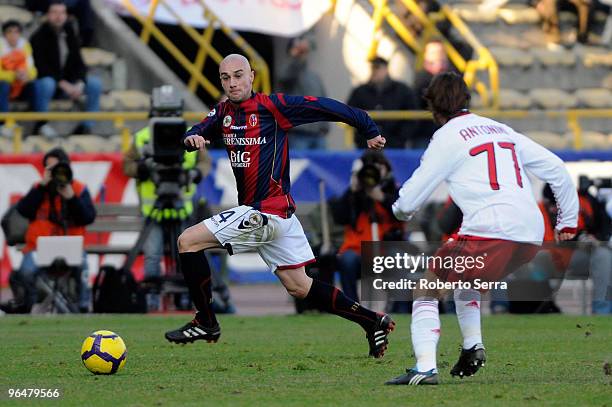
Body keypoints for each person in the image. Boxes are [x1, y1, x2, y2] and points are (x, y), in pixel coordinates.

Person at [165, 53, 395, 359]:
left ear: (251, 77)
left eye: (238, 76)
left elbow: (324, 107)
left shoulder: (273, 107)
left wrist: (366, 127)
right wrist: (192, 138)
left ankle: (206, 321)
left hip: (267, 212)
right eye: (225, 78)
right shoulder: (223, 112)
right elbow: (197, 129)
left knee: (188, 241)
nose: (232, 83)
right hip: (273, 216)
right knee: (300, 287)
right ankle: (373, 321)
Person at [385, 72, 578, 385]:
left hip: (491, 228)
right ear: (466, 100)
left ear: (433, 108)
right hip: (529, 235)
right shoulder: (501, 129)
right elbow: (557, 168)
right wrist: (567, 221)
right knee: (465, 280)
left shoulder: (447, 136)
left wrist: (398, 209)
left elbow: (408, 202)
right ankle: (473, 346)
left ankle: (424, 368)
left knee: (427, 288)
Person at [122, 85, 211, 310]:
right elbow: (127, 164)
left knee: (187, 252)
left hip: (182, 206)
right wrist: (142, 169)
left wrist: (195, 173)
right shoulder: (142, 137)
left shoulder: (192, 134)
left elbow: (204, 162)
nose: (167, 118)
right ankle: (152, 297)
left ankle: (185, 296)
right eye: (164, 113)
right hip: (154, 206)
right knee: (152, 255)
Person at [0, 148, 96, 313]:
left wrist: (71, 198)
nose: (55, 173)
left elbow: (88, 217)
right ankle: (26, 307)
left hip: (71, 247)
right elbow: (23, 211)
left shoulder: (78, 189)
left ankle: (82, 308)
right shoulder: (39, 189)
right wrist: (41, 188)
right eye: (50, 169)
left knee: (83, 268)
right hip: (38, 247)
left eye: (58, 168)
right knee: (26, 271)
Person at [330, 150, 402, 302]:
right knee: (347, 260)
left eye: (377, 169)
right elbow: (340, 218)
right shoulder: (354, 193)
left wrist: (382, 198)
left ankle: (399, 308)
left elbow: (403, 214)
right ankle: (352, 306)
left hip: (386, 249)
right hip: (357, 250)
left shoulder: (394, 190)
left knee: (399, 258)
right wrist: (353, 190)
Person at [29, 0, 101, 137]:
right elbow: (41, 68)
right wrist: (64, 84)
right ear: (48, 15)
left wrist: (80, 82)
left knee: (94, 84)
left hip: (67, 83)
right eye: (55, 12)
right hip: (48, 84)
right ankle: (42, 123)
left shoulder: (70, 33)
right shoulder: (38, 37)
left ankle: (86, 126)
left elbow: (79, 63)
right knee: (46, 83)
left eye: (62, 13)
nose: (58, 16)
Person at [347, 57, 419, 149]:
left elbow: (412, 116)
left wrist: (400, 137)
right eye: (372, 68)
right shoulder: (360, 91)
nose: (374, 71)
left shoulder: (402, 90)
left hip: (394, 146)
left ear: (386, 69)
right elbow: (349, 113)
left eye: (377, 67)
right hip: (366, 144)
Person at [277, 36, 329, 149]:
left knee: (323, 166)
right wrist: (296, 58)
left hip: (318, 135)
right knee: (298, 166)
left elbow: (323, 100)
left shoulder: (314, 76)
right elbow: (288, 75)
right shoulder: (285, 71)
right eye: (296, 49)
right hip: (298, 134)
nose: (301, 52)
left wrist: (325, 125)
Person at [413, 40, 452, 147]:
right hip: (425, 133)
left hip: (448, 133)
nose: (437, 56)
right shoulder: (420, 80)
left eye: (440, 52)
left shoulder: (453, 77)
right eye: (433, 52)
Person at [0, 20, 37, 118]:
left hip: (20, 84)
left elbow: (32, 70)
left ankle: (36, 121)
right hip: (5, 85)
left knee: (35, 86)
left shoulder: (25, 46)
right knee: (3, 85)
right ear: (4, 34)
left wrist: (26, 75)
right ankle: (4, 122)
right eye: (10, 31)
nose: (13, 35)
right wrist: (14, 75)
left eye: (16, 32)